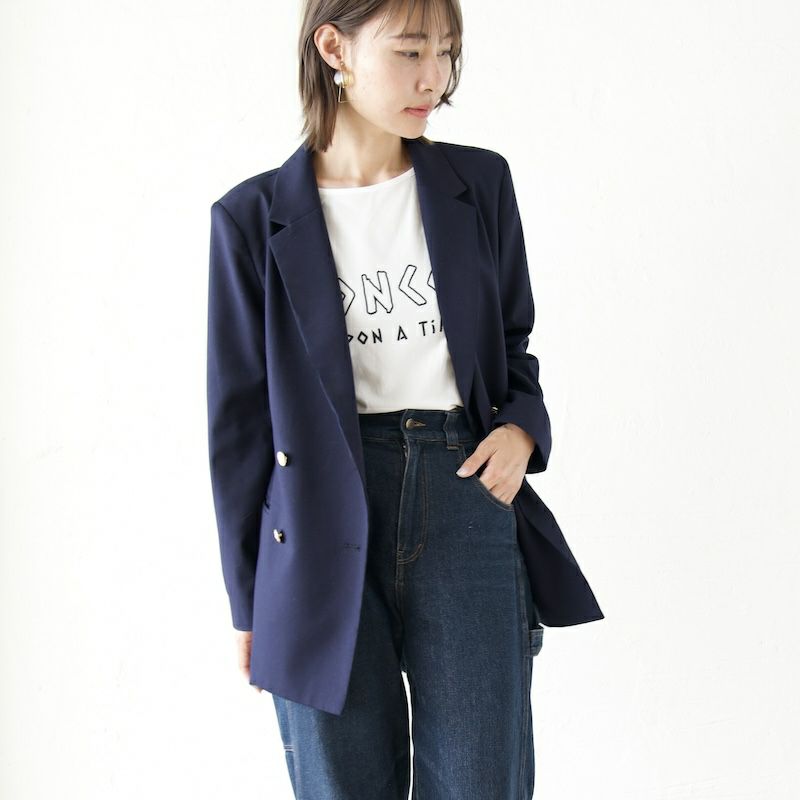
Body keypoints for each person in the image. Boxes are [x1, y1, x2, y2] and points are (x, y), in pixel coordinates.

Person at [206, 0, 604, 797]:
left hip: (464, 492)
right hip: (316, 517)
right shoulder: (250, 220)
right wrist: (249, 599)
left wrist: (522, 430)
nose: (436, 78)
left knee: (481, 779)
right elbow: (239, 424)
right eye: (412, 51)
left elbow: (514, 342)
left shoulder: (477, 184)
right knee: (342, 781)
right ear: (334, 48)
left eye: (447, 52)